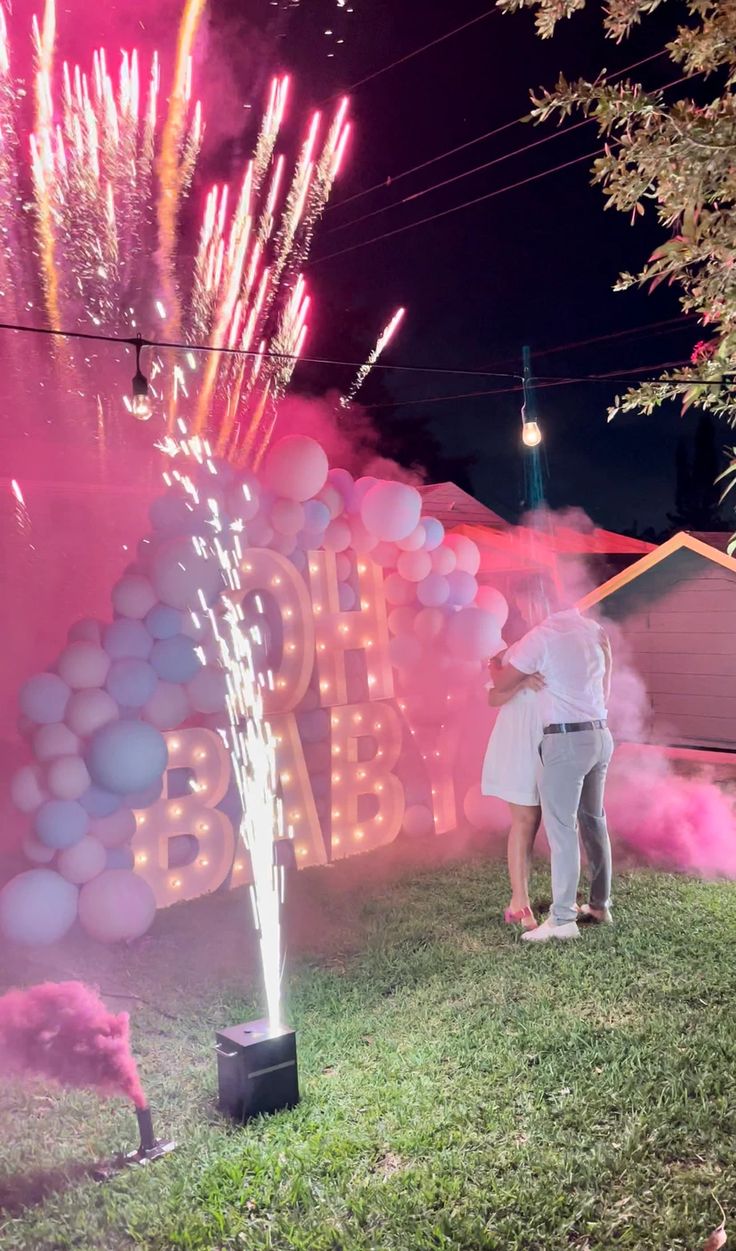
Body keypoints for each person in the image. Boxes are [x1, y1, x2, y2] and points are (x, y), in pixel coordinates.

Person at [492, 592, 614, 944]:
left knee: (562, 829)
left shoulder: (541, 636)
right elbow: (607, 687)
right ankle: (599, 905)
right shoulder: (594, 630)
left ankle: (562, 920)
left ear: (535, 604)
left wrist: (499, 666)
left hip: (565, 739)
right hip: (599, 733)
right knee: (594, 821)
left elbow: (501, 683)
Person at [482, 645, 545, 933]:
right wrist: (520, 684)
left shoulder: (553, 642)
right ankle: (520, 902)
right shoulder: (508, 652)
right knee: (524, 820)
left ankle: (518, 898)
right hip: (517, 739)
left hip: (545, 737)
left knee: (533, 822)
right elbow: (493, 697)